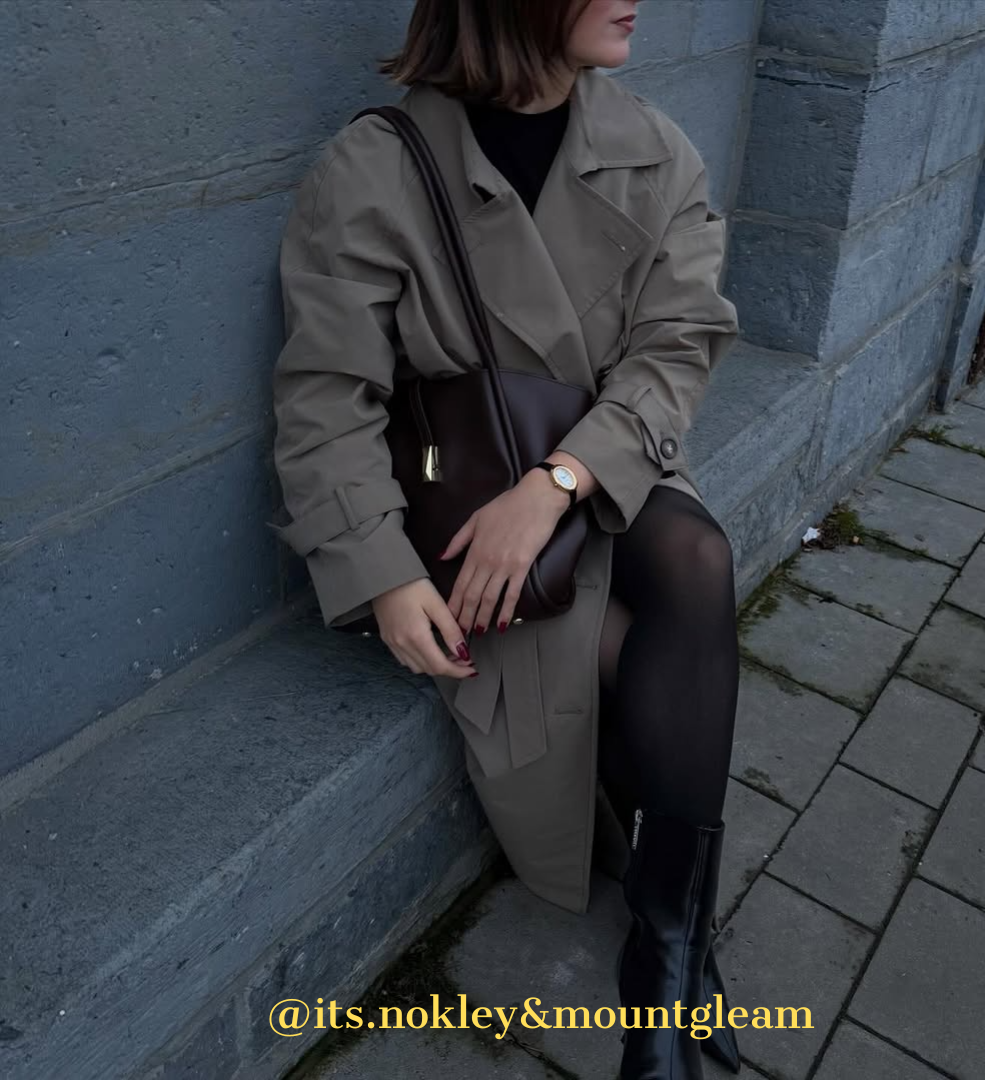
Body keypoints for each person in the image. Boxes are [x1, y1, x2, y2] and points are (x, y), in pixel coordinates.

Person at [269, 2, 743, 1076]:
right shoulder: (378, 166)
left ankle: (666, 956)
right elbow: (326, 397)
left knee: (696, 559)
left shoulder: (655, 149)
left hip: (606, 465)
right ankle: (678, 930)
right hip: (467, 505)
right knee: (629, 645)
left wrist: (558, 483)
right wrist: (382, 571)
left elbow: (678, 345)